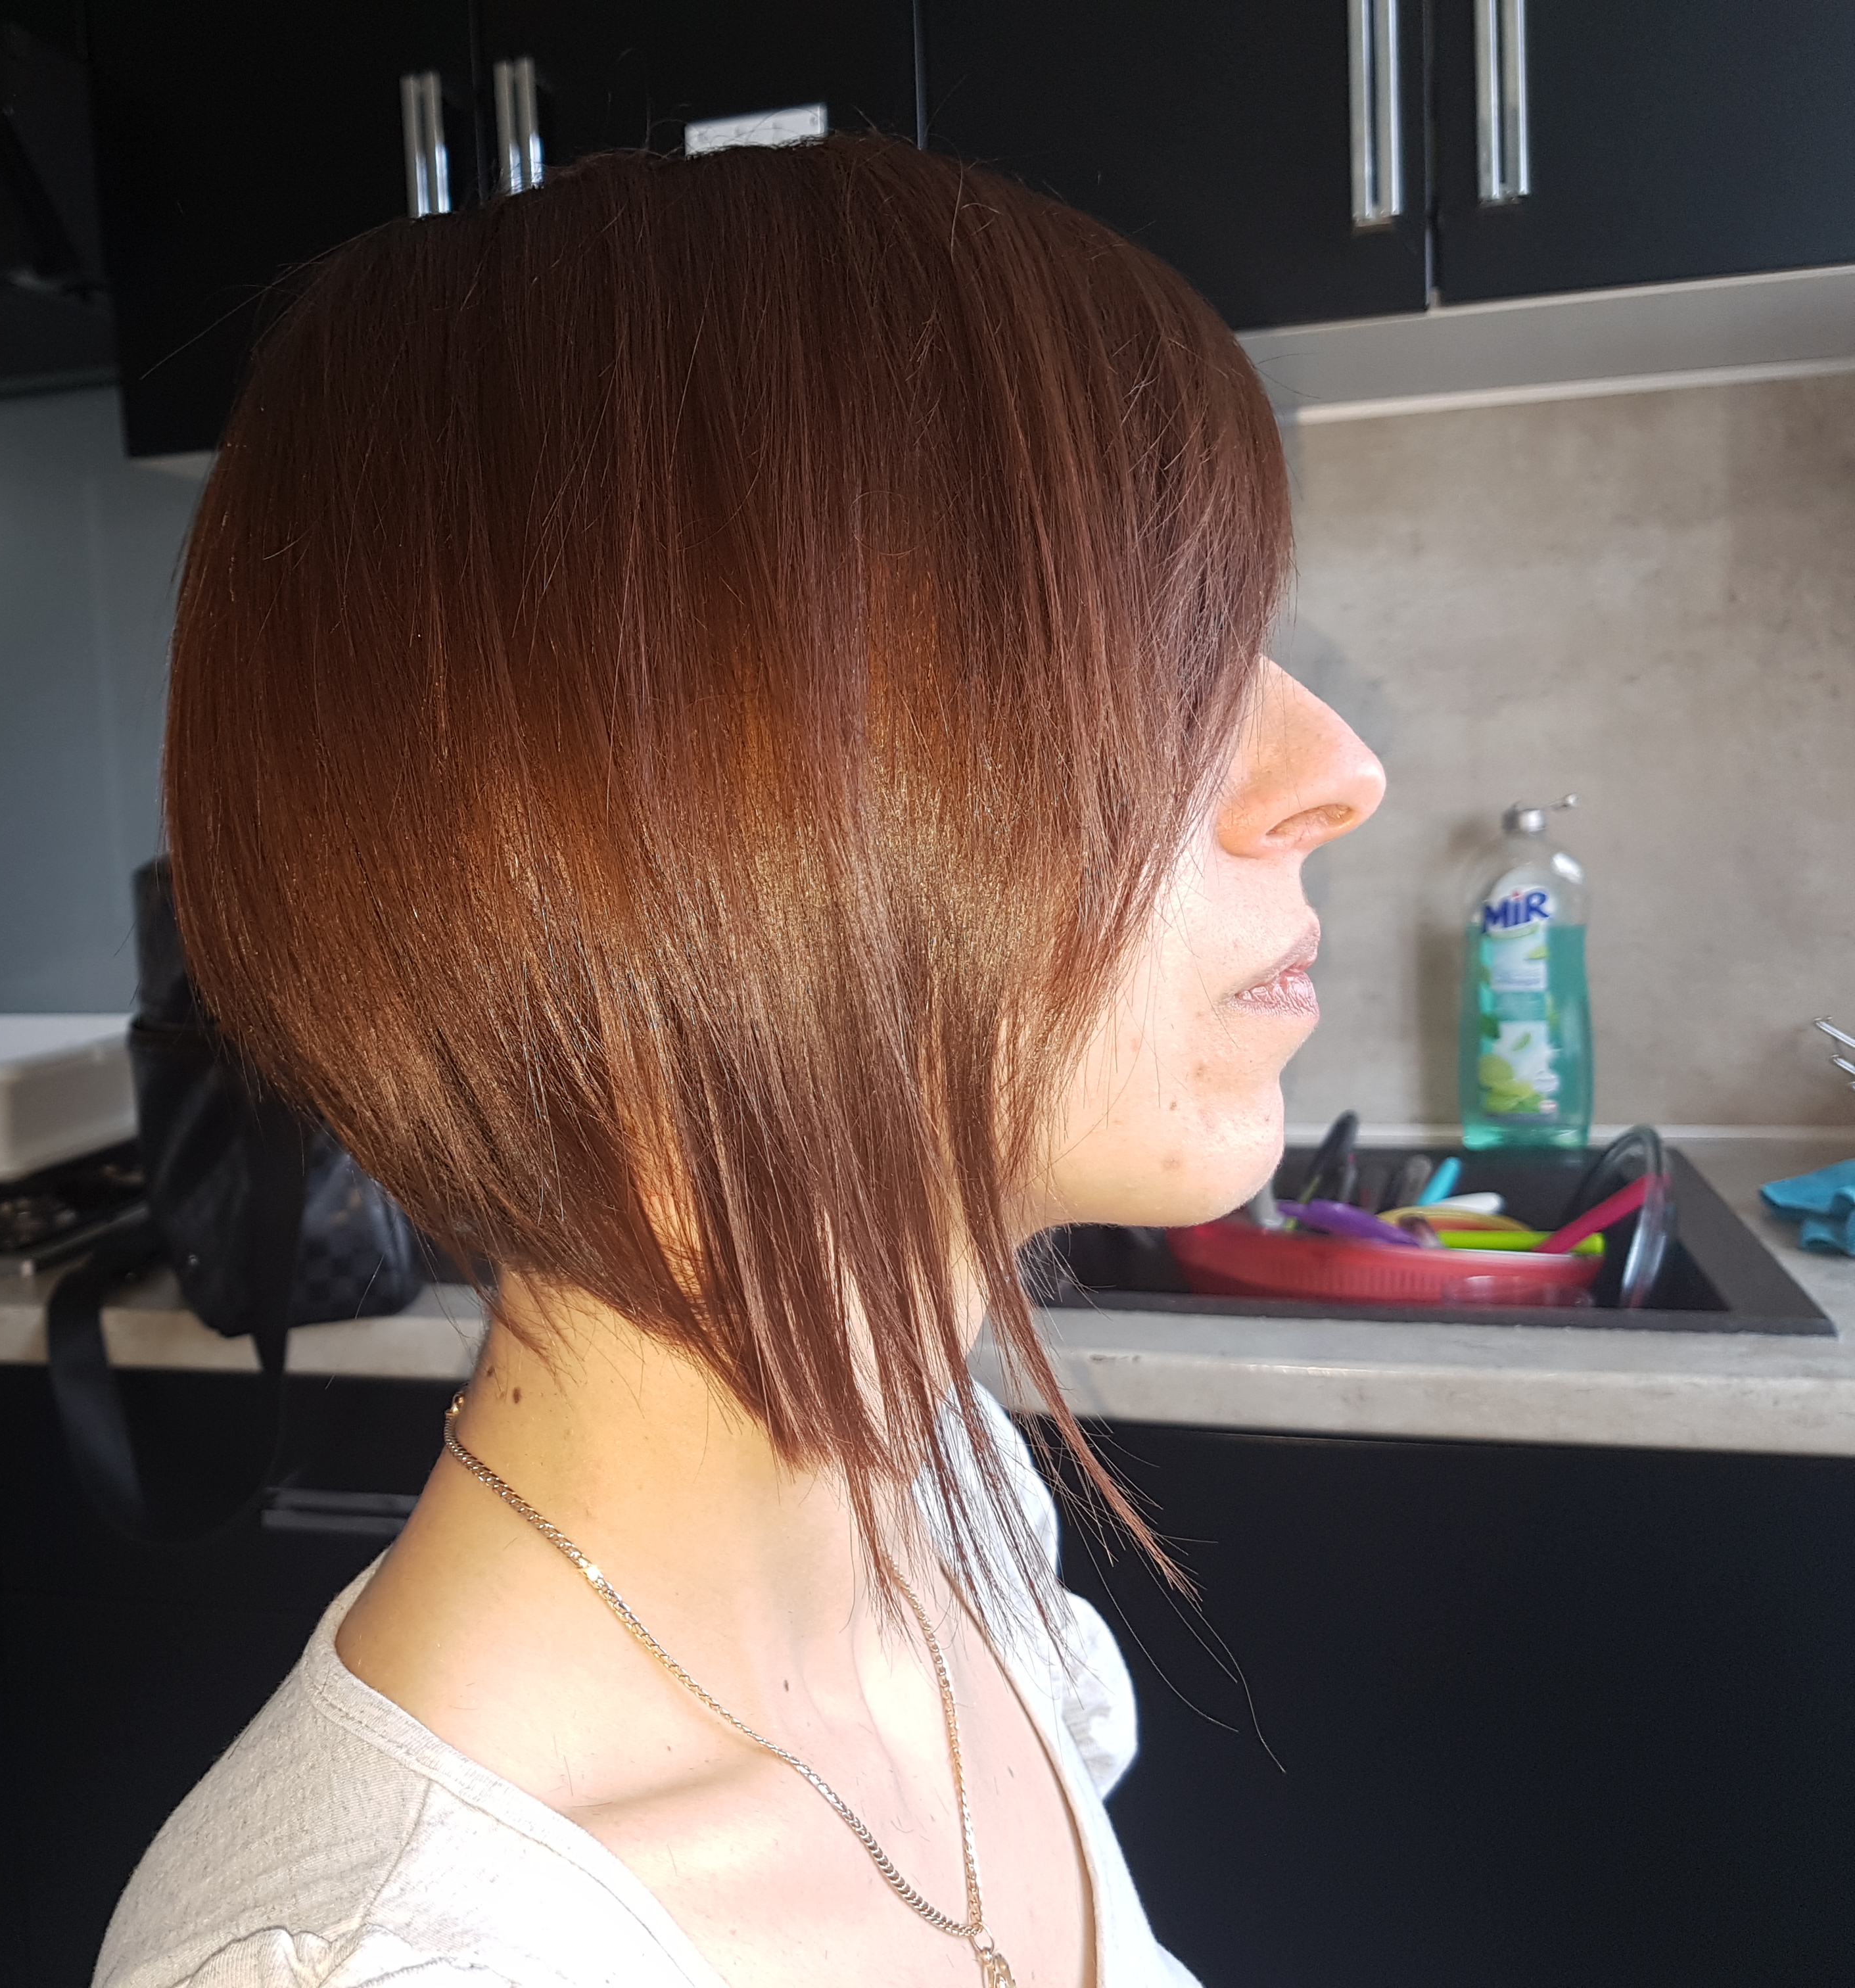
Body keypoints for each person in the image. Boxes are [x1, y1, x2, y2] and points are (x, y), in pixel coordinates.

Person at [96, 134, 1384, 1988]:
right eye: (1152, 663)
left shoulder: (946, 1526)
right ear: (660, 824)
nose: (1339, 771)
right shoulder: (405, 1962)